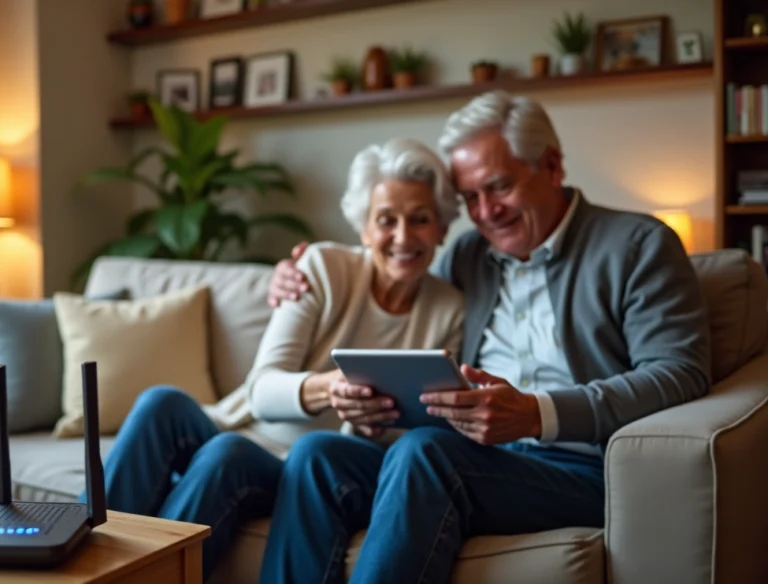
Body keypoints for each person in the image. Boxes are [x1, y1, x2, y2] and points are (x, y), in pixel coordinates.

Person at [259, 90, 712, 584]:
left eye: (499, 187)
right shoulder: (470, 255)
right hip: (477, 456)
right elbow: (390, 255)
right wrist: (296, 268)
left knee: (425, 452)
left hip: (578, 469)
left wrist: (538, 414)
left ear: (553, 166)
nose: (486, 211)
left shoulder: (637, 245)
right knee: (317, 456)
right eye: (470, 198)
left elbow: (680, 372)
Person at [84, 138, 466, 580]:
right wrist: (329, 388)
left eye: (420, 219)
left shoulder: (450, 308)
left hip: (297, 465)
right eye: (386, 220)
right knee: (161, 402)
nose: (403, 236)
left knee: (228, 454)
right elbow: (261, 389)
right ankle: (72, 553)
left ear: (441, 228)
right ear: (363, 228)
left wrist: (368, 420)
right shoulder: (322, 267)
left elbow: (426, 427)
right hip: (238, 424)